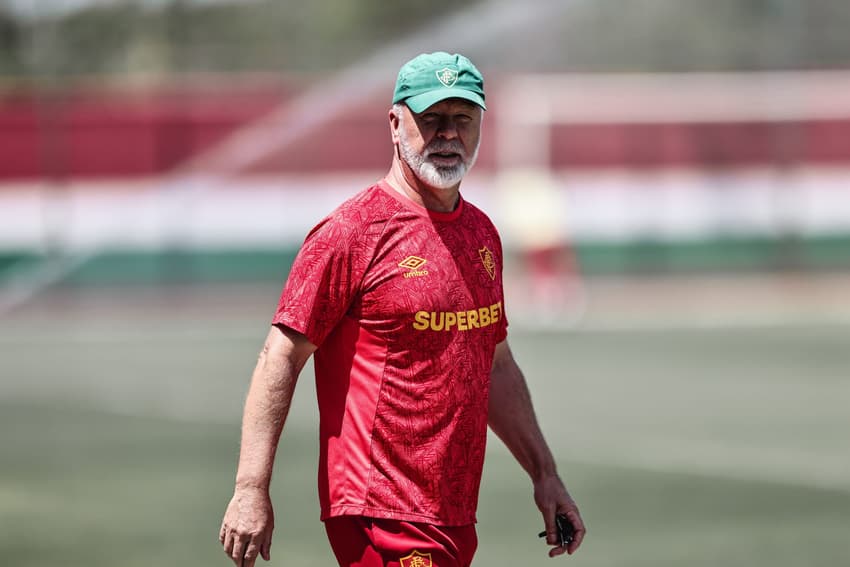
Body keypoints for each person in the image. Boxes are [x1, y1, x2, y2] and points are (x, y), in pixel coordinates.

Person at [219, 51, 586, 567]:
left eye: (463, 120)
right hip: (379, 507)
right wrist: (250, 487)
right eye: (431, 119)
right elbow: (280, 357)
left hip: (453, 508)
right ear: (395, 124)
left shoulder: (482, 233)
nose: (448, 135)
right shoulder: (350, 233)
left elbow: (495, 364)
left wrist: (545, 475)